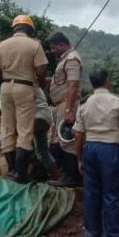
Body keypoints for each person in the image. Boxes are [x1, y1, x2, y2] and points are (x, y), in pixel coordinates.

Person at [73, 69, 119, 237]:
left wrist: (79, 158)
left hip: (90, 148)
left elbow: (78, 134)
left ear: (92, 83)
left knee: (91, 195)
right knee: (110, 195)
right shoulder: (117, 102)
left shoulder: (84, 104)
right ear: (107, 81)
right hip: (110, 149)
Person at [0, 14, 48, 183]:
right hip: (25, 87)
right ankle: (21, 174)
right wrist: (40, 83)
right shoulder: (34, 45)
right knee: (24, 130)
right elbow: (41, 71)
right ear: (29, 29)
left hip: (5, 87)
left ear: (14, 28)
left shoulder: (1, 46)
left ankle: (11, 169)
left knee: (7, 128)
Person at [47, 32, 84, 188]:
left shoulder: (71, 59)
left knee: (68, 139)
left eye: (54, 48)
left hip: (68, 104)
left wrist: (68, 109)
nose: (53, 51)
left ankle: (71, 176)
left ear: (62, 44)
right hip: (61, 104)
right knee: (63, 140)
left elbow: (73, 85)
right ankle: (69, 175)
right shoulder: (64, 60)